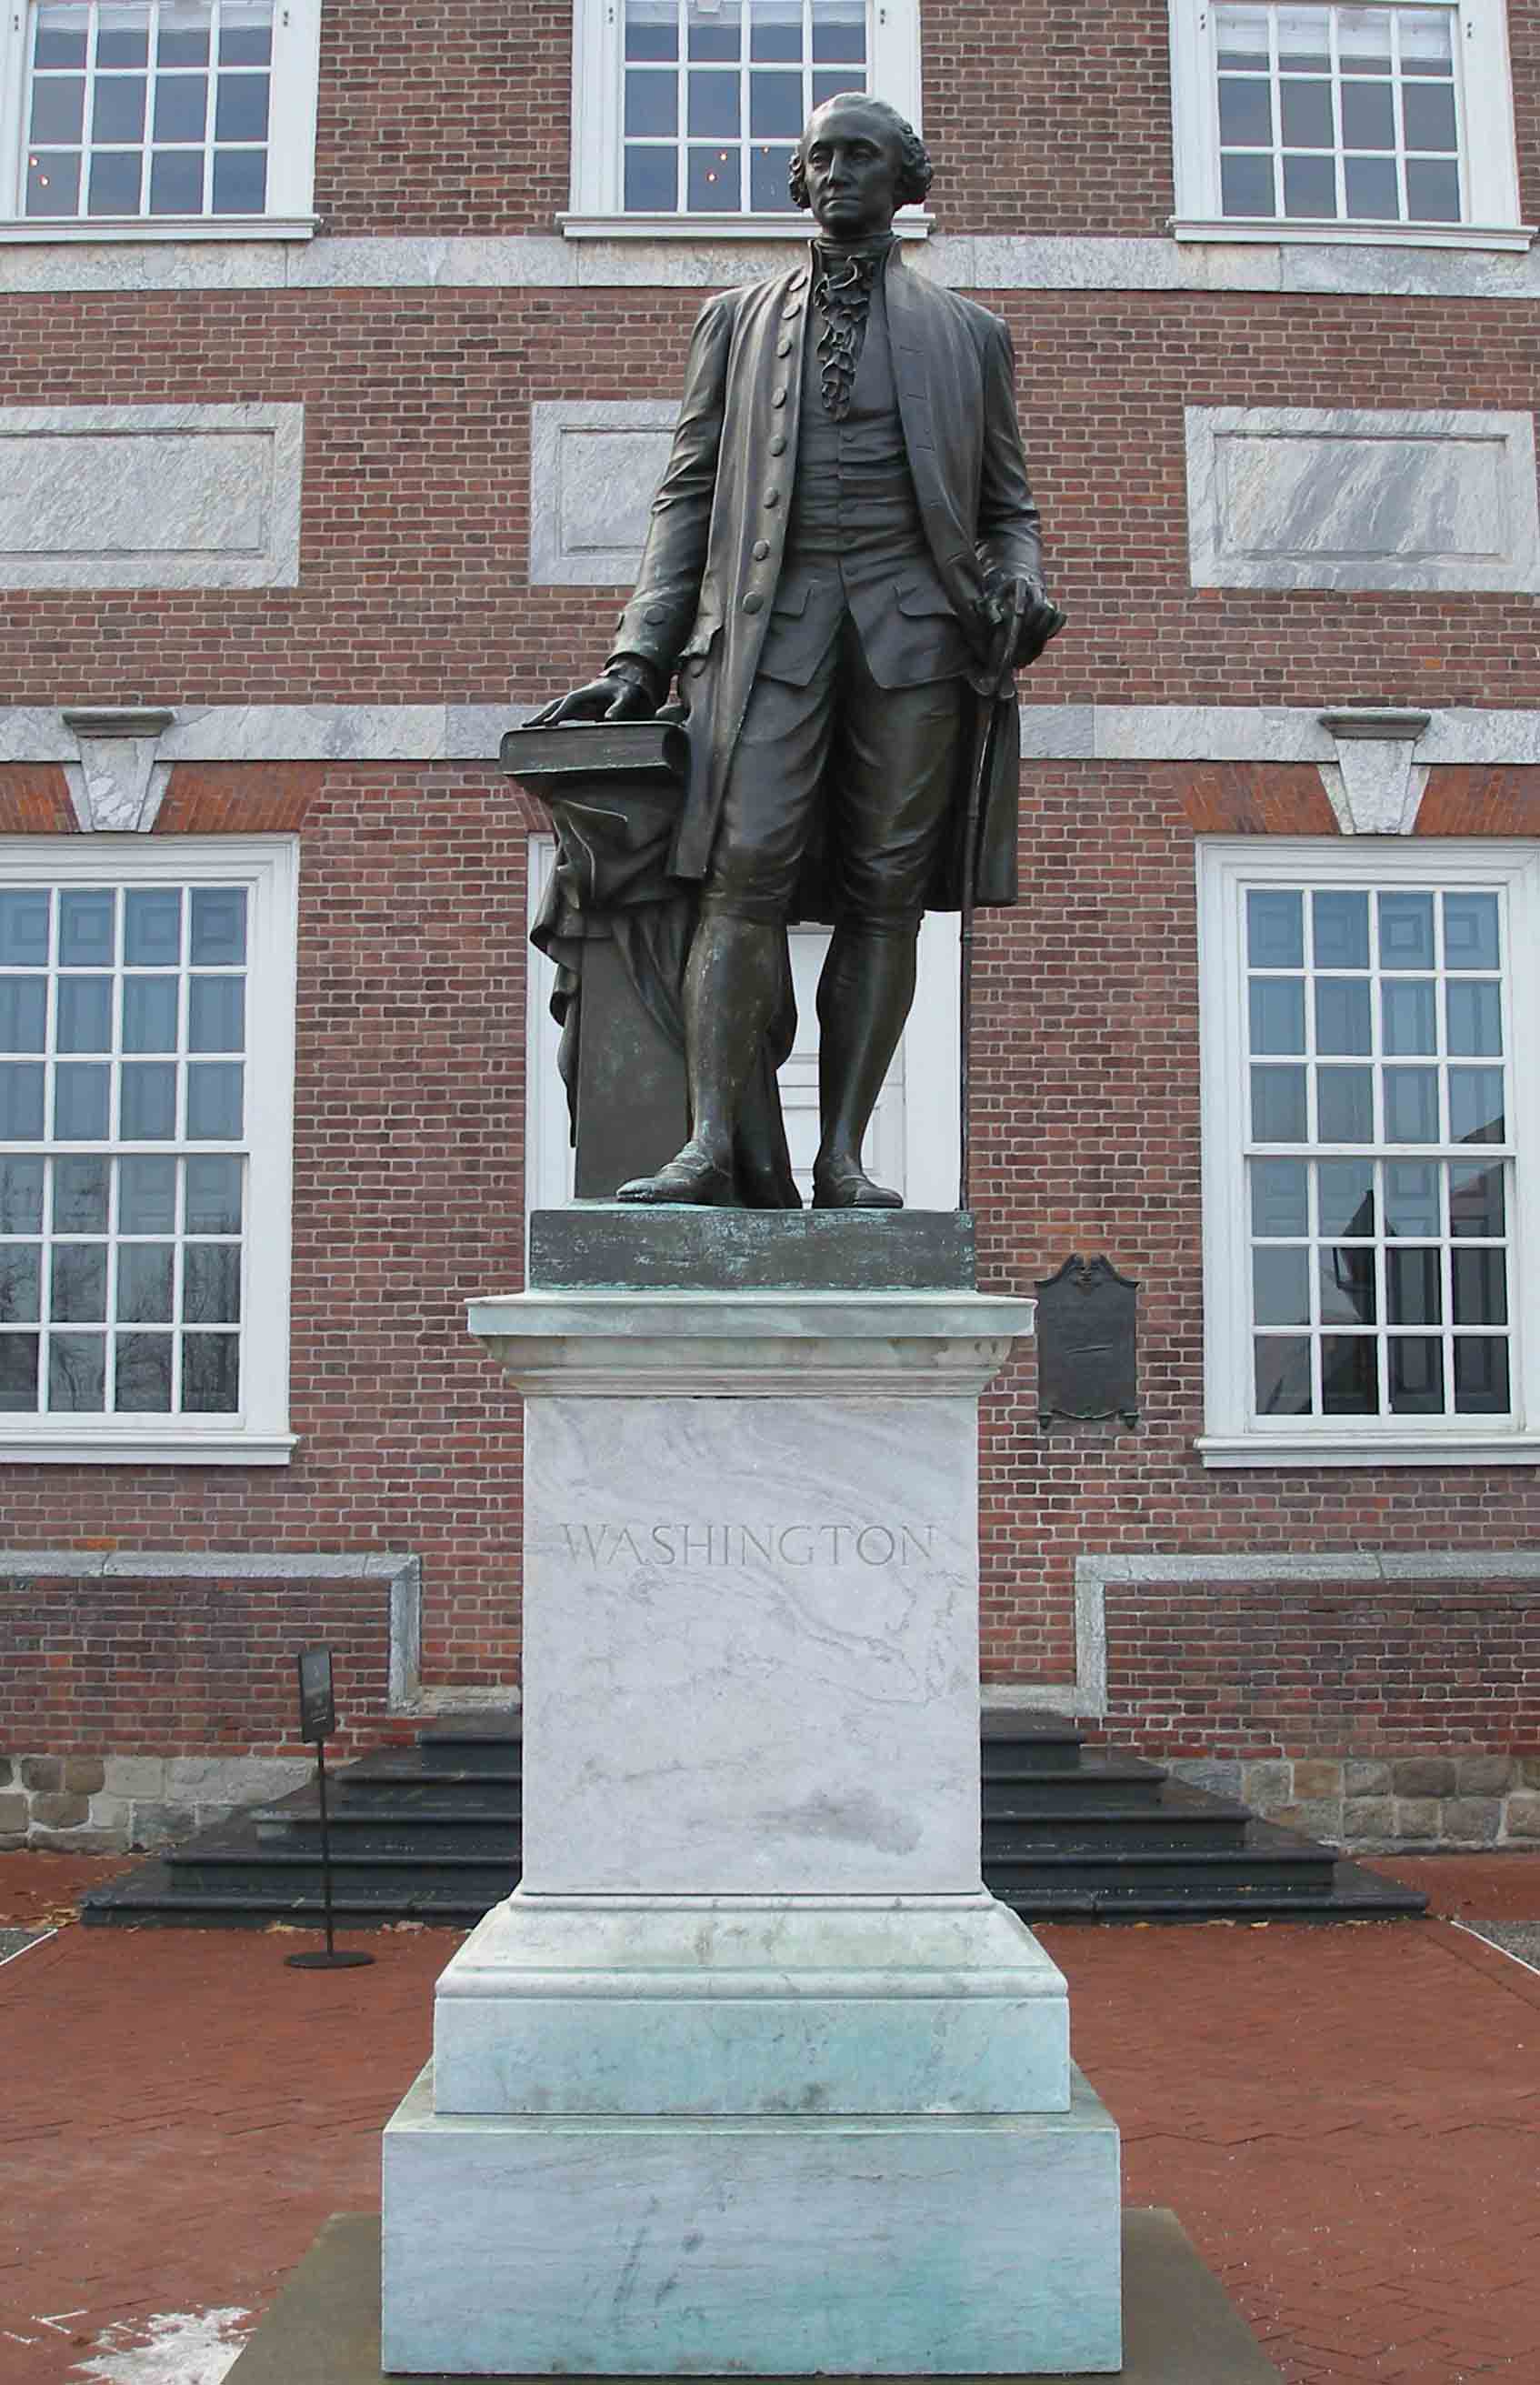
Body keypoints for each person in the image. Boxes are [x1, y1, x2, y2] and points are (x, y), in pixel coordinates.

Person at [534, 93, 1062, 1208]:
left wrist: (1018, 582)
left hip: (913, 644)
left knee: (885, 894)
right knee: (740, 875)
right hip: (765, 638)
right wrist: (640, 654)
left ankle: (845, 1156)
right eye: (819, 157)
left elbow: (1006, 506)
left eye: (860, 156)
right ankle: (711, 1144)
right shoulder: (734, 320)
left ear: (904, 180)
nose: (835, 174)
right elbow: (684, 497)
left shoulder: (970, 335)